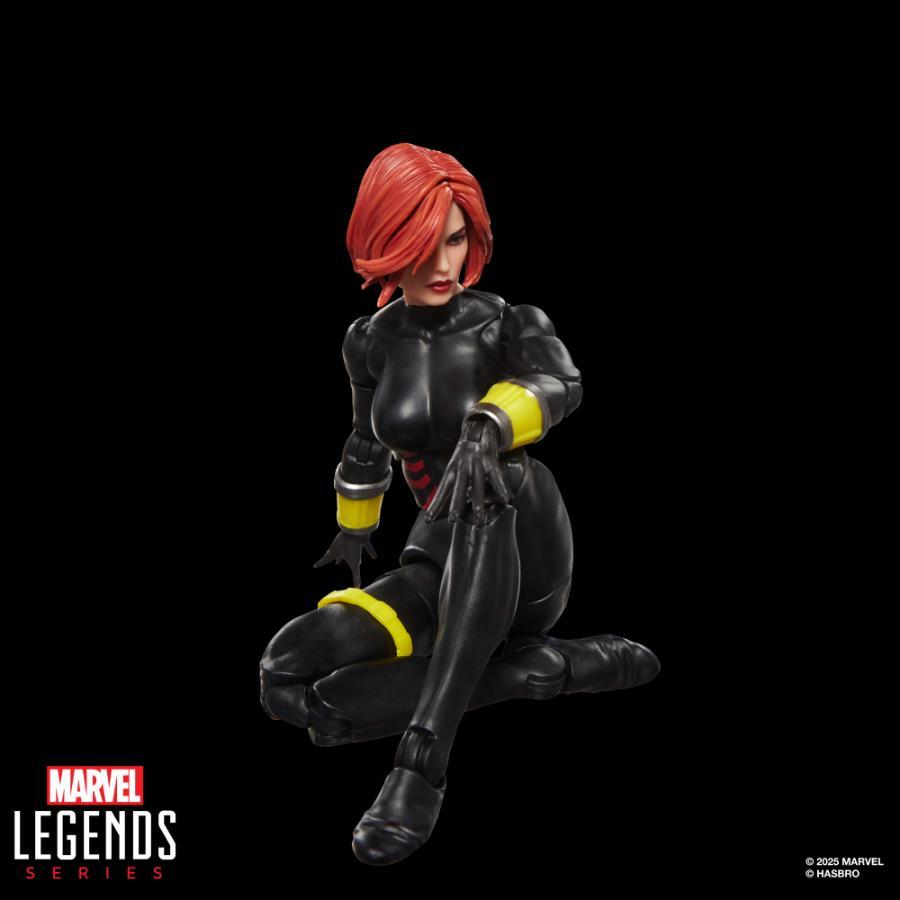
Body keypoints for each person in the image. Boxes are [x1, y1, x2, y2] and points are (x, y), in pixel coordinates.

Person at [259, 143, 660, 866]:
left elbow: (561, 384)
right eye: (420, 246)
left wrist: (491, 422)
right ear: (384, 244)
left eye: (454, 239)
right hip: (437, 557)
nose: (443, 264)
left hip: (525, 544)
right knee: (288, 678)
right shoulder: (369, 341)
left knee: (492, 476)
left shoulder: (506, 322)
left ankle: (420, 765)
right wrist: (354, 527)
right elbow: (365, 440)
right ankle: (534, 673)